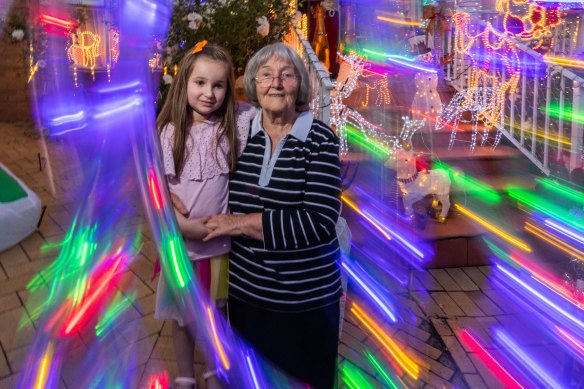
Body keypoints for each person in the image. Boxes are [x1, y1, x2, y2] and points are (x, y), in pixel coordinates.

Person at [201, 42, 343, 388]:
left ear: (300, 86)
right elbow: (198, 167)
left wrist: (240, 224)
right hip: (247, 297)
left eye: (286, 75)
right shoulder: (237, 134)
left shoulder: (320, 139)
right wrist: (174, 193)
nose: (275, 83)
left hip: (305, 303)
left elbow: (319, 221)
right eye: (265, 75)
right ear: (253, 84)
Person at [154, 41, 256, 389]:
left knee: (216, 314)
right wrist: (181, 225)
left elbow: (264, 109)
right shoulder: (170, 134)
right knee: (182, 319)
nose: (209, 93)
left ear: (229, 89)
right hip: (181, 248)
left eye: (218, 84)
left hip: (218, 249)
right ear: (183, 83)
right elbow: (156, 192)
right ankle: (185, 375)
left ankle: (214, 370)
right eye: (200, 83)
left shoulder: (233, 126)